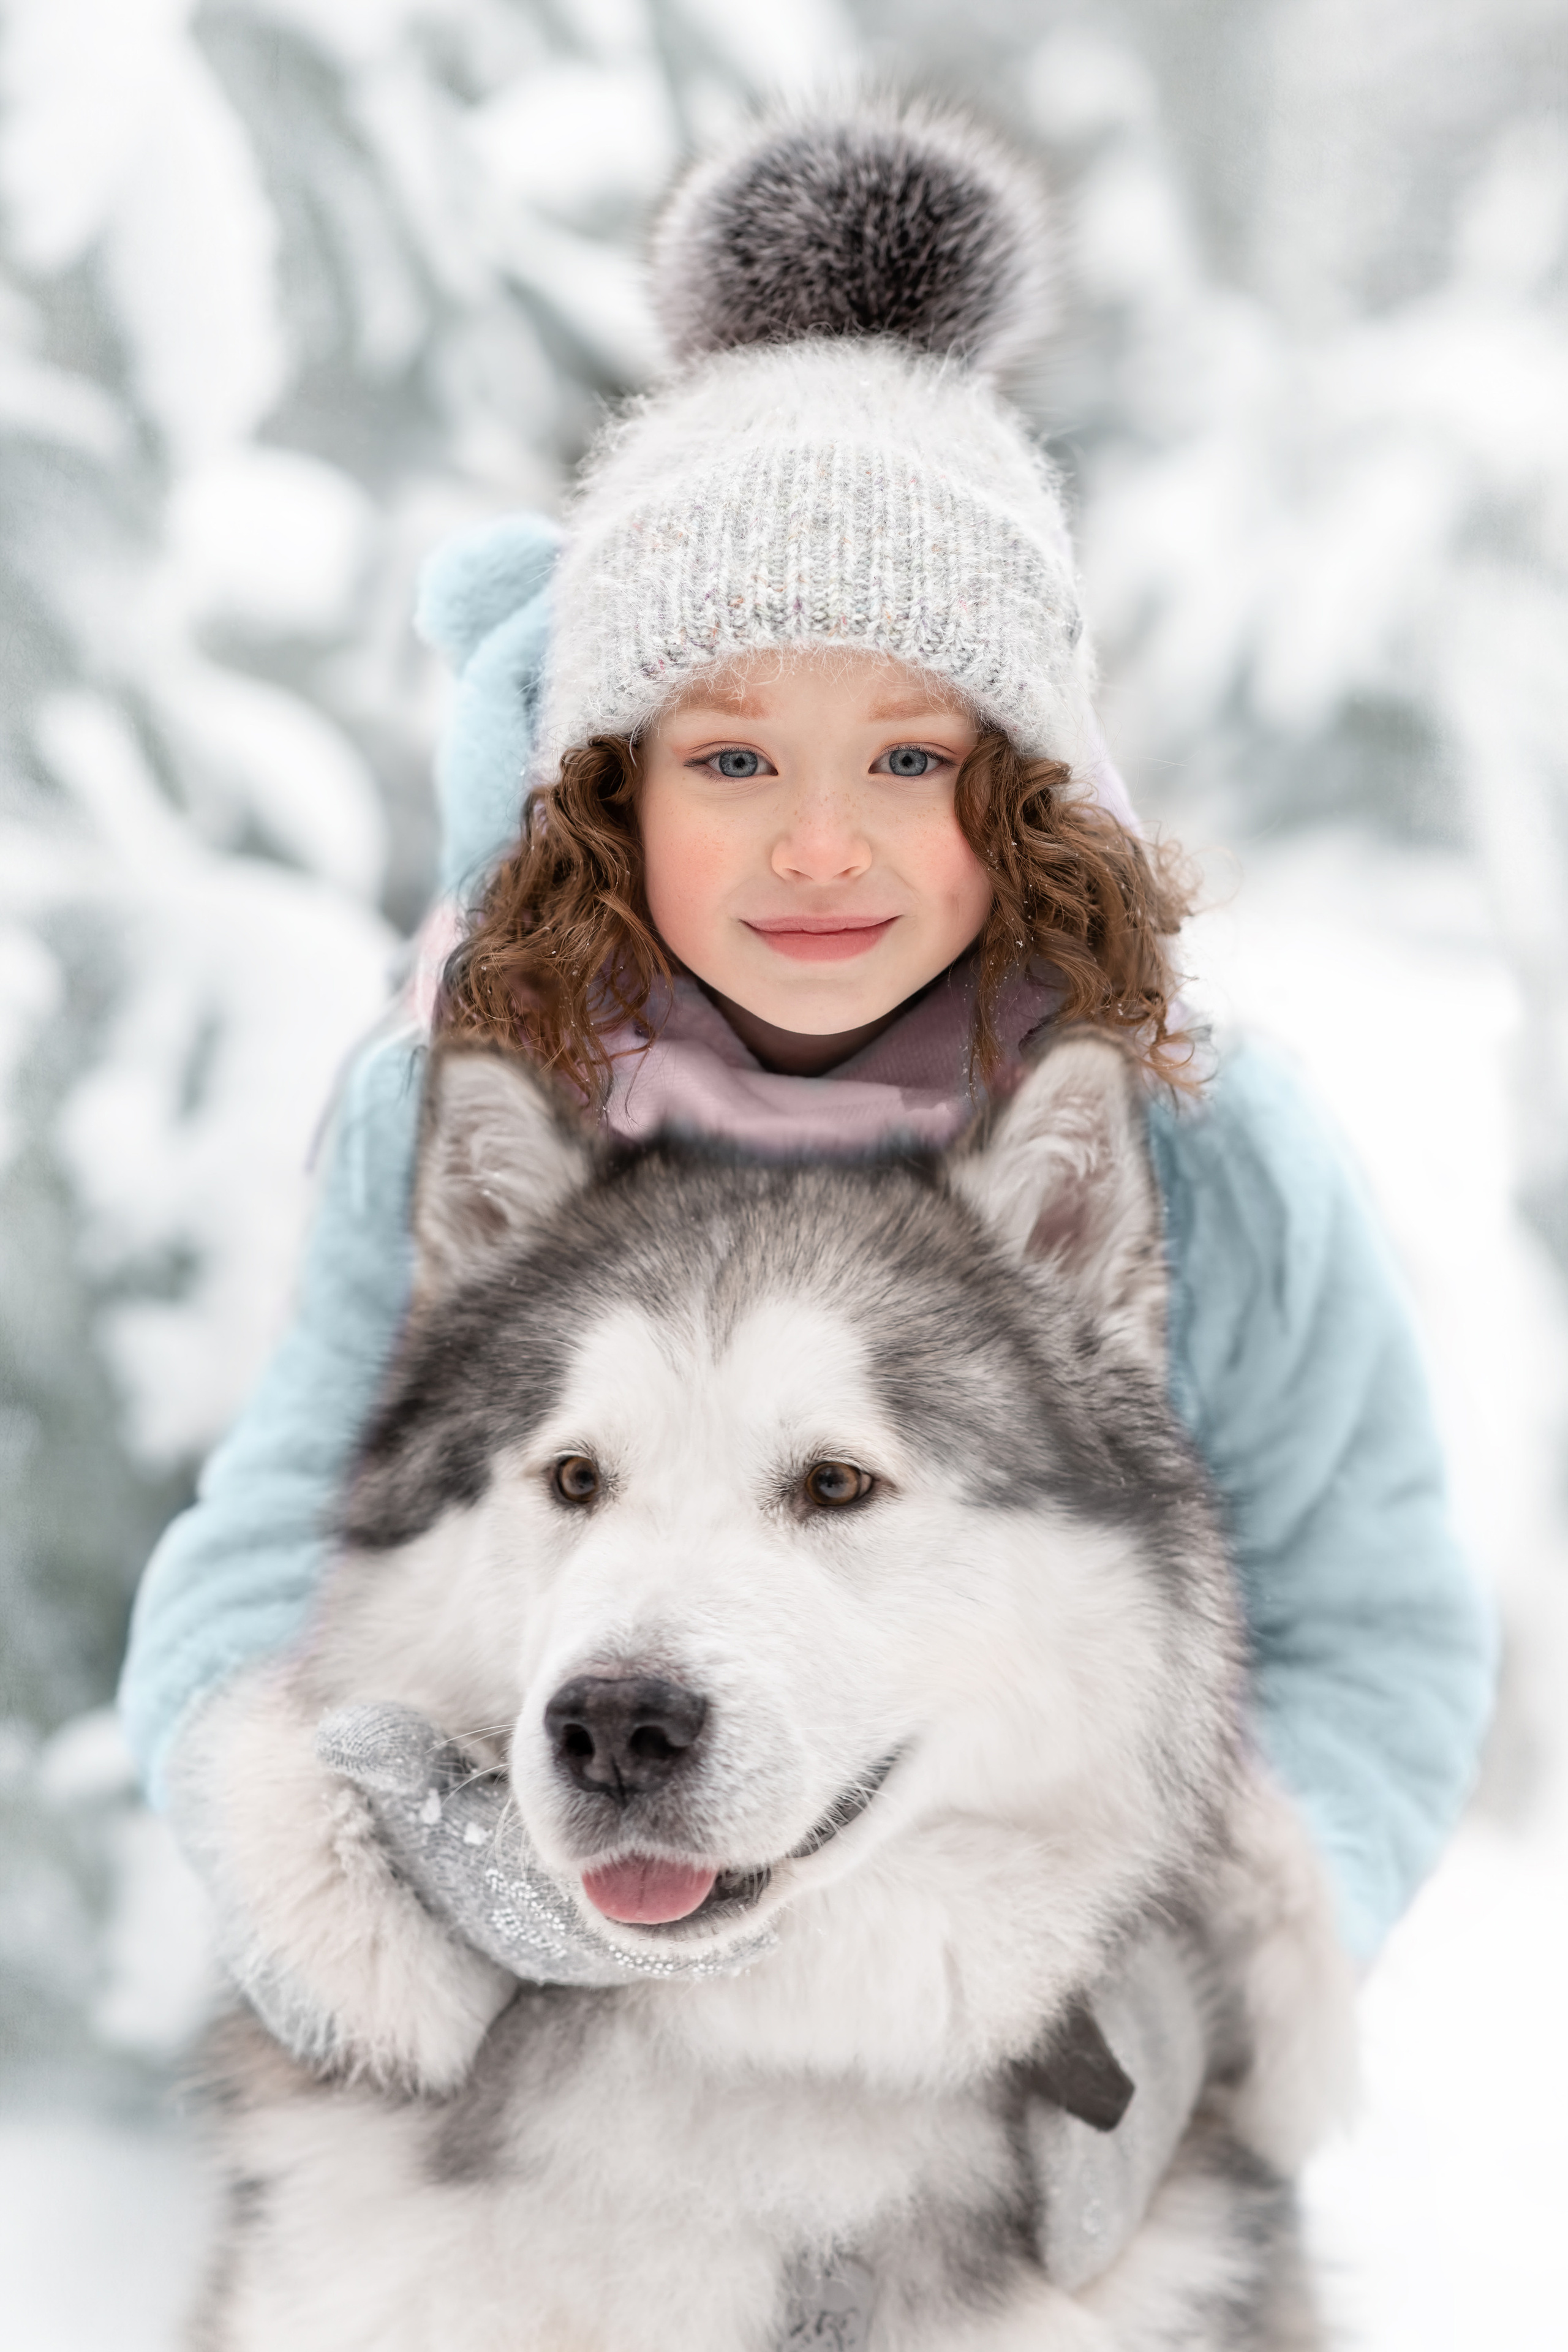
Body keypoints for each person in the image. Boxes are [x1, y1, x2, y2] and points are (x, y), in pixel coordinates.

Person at [118, 102, 1494, 2295]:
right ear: (611, 790)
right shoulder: (470, 1098)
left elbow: (1380, 1603)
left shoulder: (1194, 1142)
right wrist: (315, 1843)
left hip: (1050, 2112)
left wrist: (1219, 1963)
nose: (823, 844)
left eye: (910, 758)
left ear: (1023, 789)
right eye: (735, 758)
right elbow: (280, 1526)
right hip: (527, 2131)